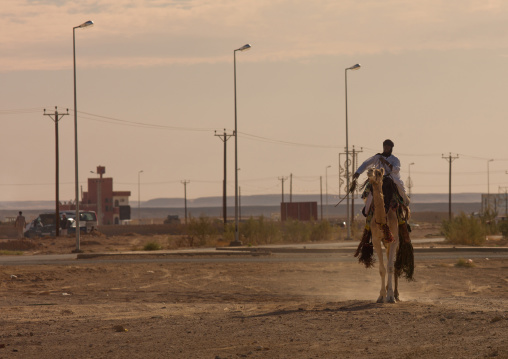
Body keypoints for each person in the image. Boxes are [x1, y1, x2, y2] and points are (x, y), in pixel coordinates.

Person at [353, 139, 410, 212]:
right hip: (378, 178)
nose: (386, 148)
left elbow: (396, 169)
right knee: (370, 189)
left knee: (398, 191)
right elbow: (366, 163)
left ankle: (401, 210)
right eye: (385, 146)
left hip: (391, 178)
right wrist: (358, 172)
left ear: (391, 148)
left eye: (388, 146)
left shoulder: (394, 159)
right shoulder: (377, 157)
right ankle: (367, 208)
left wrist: (386, 162)